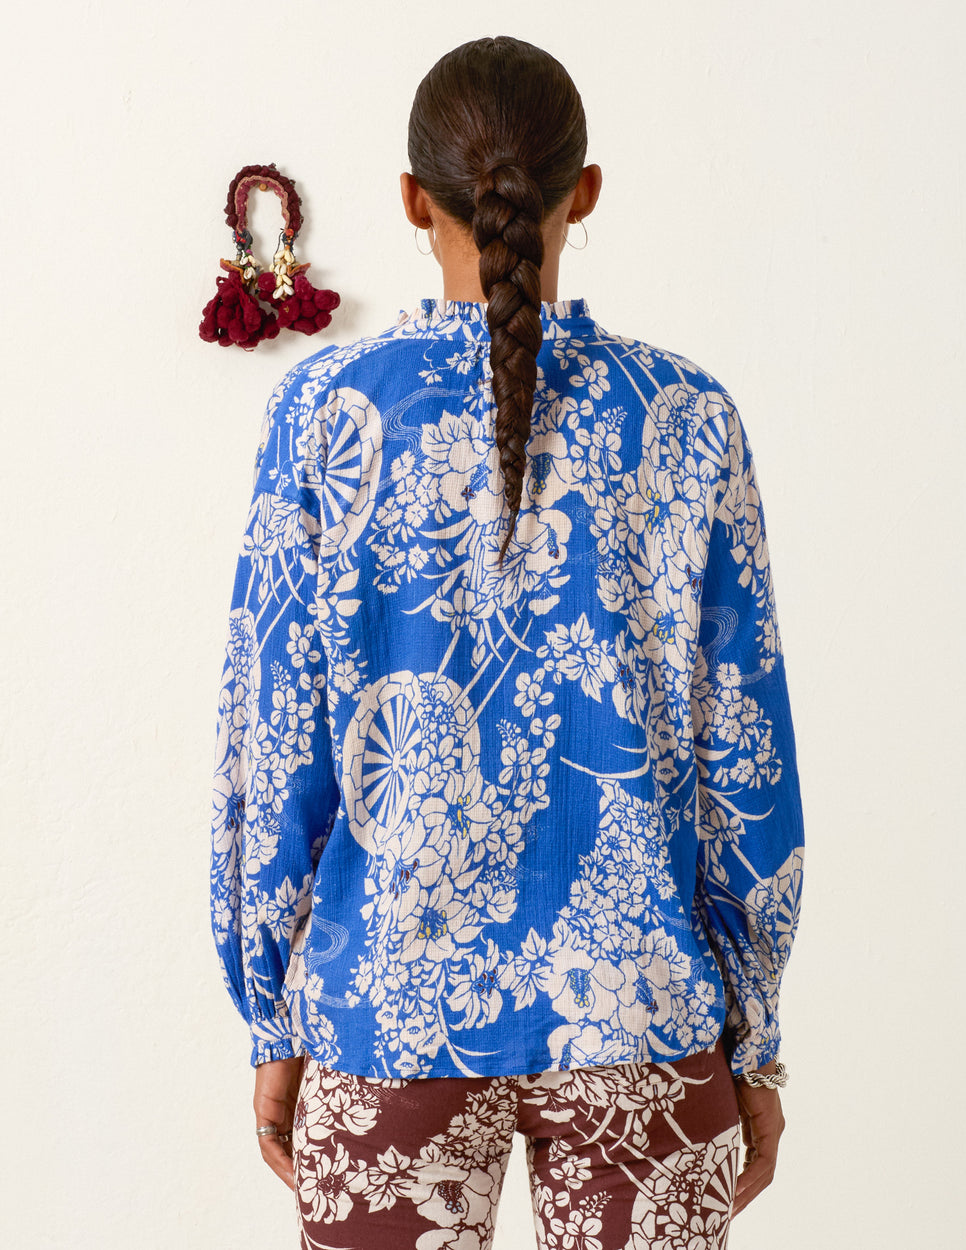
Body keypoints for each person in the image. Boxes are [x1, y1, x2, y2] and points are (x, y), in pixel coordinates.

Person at [209, 34, 805, 1250]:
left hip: (385, 1017)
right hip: (643, 1017)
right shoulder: (685, 417)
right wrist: (756, 1033)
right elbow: (745, 752)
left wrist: (273, 1015)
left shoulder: (324, 413)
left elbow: (273, 742)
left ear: (409, 199)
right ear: (583, 193)